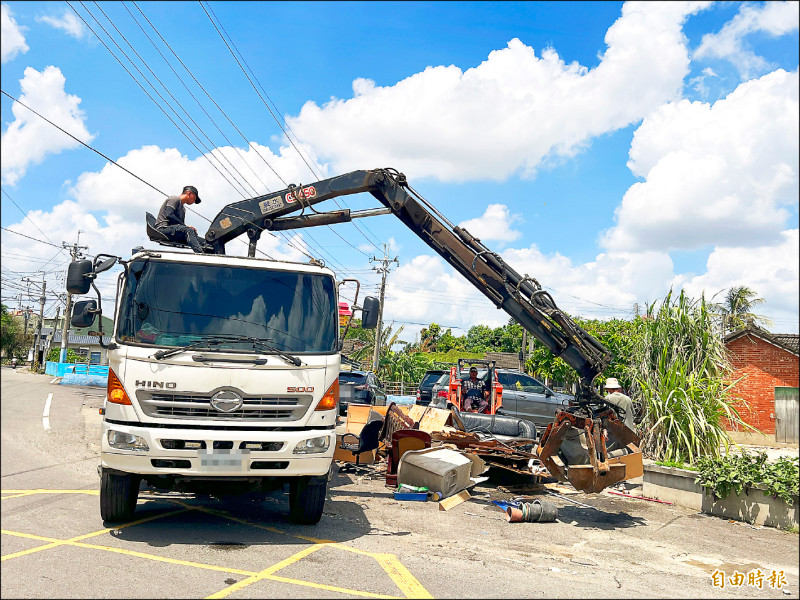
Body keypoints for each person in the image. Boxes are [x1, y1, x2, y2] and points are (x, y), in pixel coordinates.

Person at [154, 186, 211, 253]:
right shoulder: (174, 199)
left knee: (203, 241)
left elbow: (180, 227)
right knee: (189, 230)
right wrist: (186, 227)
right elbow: (169, 215)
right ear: (189, 194)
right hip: (163, 228)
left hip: (172, 229)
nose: (194, 201)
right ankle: (200, 253)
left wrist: (189, 231)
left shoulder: (183, 209)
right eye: (195, 198)